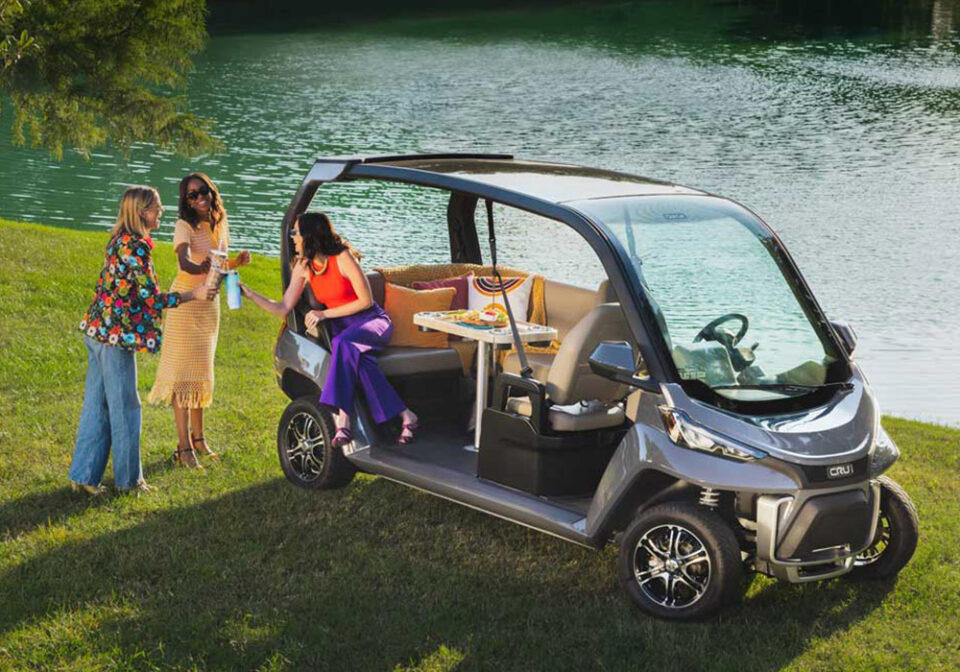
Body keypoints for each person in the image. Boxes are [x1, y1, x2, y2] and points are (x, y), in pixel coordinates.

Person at [71, 186, 217, 495]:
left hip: (96, 331)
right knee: (126, 408)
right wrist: (195, 294)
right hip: (114, 339)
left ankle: (84, 477)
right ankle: (130, 483)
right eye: (156, 208)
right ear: (142, 213)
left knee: (97, 408)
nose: (161, 212)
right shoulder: (136, 246)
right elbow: (152, 298)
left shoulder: (117, 239)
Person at [239, 211, 419, 445]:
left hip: (370, 320)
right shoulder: (304, 267)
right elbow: (283, 306)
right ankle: (406, 415)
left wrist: (323, 313)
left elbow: (365, 301)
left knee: (341, 343)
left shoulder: (342, 257)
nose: (293, 238)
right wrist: (250, 294)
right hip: (343, 326)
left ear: (310, 236)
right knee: (361, 363)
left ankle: (341, 419)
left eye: (296, 232)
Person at [147, 173, 250, 468]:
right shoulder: (184, 225)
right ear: (186, 201)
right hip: (187, 302)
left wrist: (236, 263)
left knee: (201, 375)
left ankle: (199, 439)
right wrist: (199, 265)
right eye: (192, 195)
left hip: (210, 304)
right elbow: (185, 262)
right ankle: (183, 449)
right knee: (182, 379)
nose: (199, 198)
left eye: (203, 191)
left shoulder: (219, 221)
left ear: (211, 191)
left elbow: (218, 263)